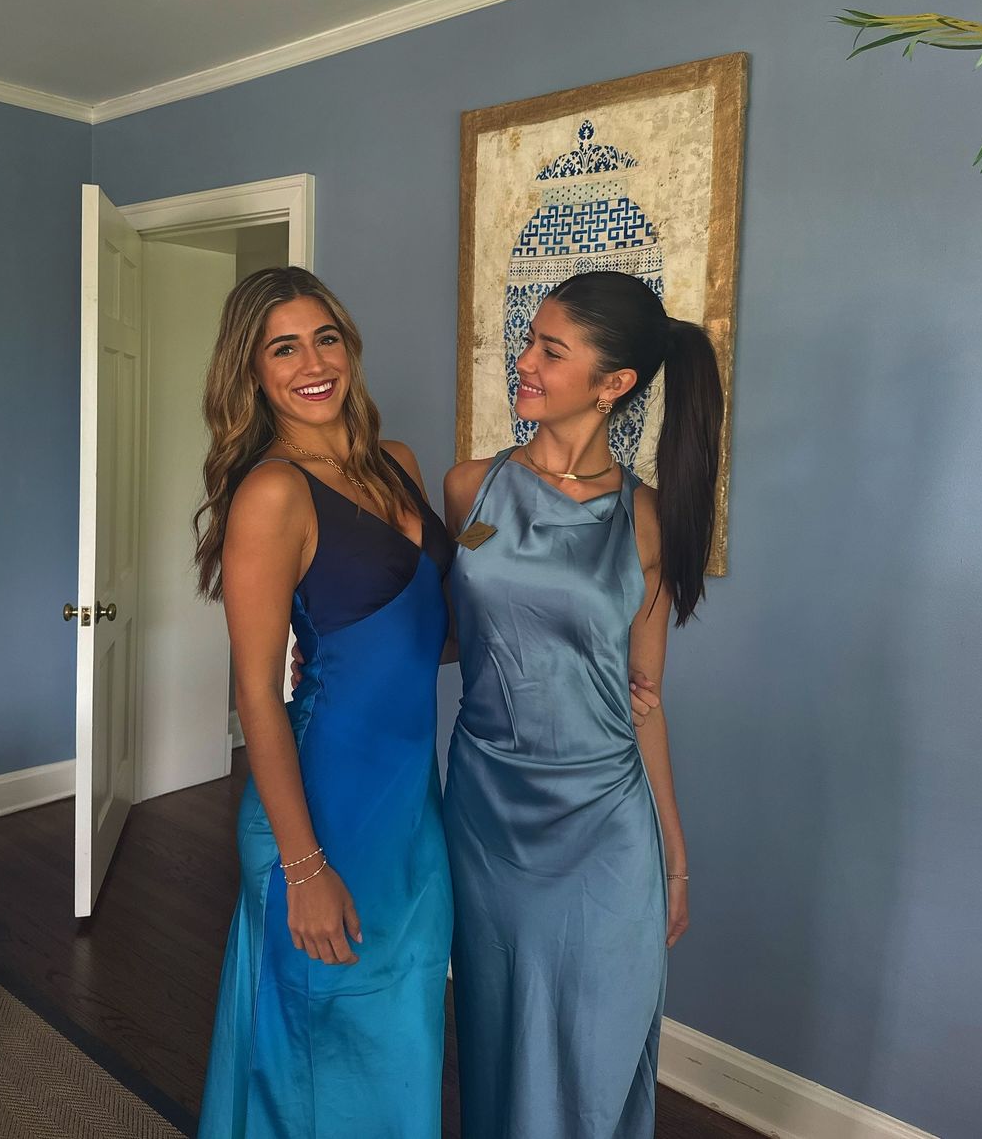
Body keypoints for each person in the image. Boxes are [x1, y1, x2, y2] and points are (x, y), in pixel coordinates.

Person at [443, 270, 723, 1139]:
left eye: (549, 350)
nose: (522, 361)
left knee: (593, 1048)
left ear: (614, 384)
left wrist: (674, 852)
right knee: (497, 1029)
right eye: (529, 340)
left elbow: (644, 701)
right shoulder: (469, 489)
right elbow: (453, 632)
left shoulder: (648, 521)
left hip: (603, 820)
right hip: (488, 811)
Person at [194, 267, 454, 1139]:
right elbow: (255, 696)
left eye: (326, 338)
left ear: (350, 347)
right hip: (319, 810)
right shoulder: (273, 493)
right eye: (284, 349)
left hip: (409, 804)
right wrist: (304, 869)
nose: (313, 364)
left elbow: (429, 632)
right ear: (252, 372)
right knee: (318, 1055)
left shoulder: (399, 464)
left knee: (400, 1032)